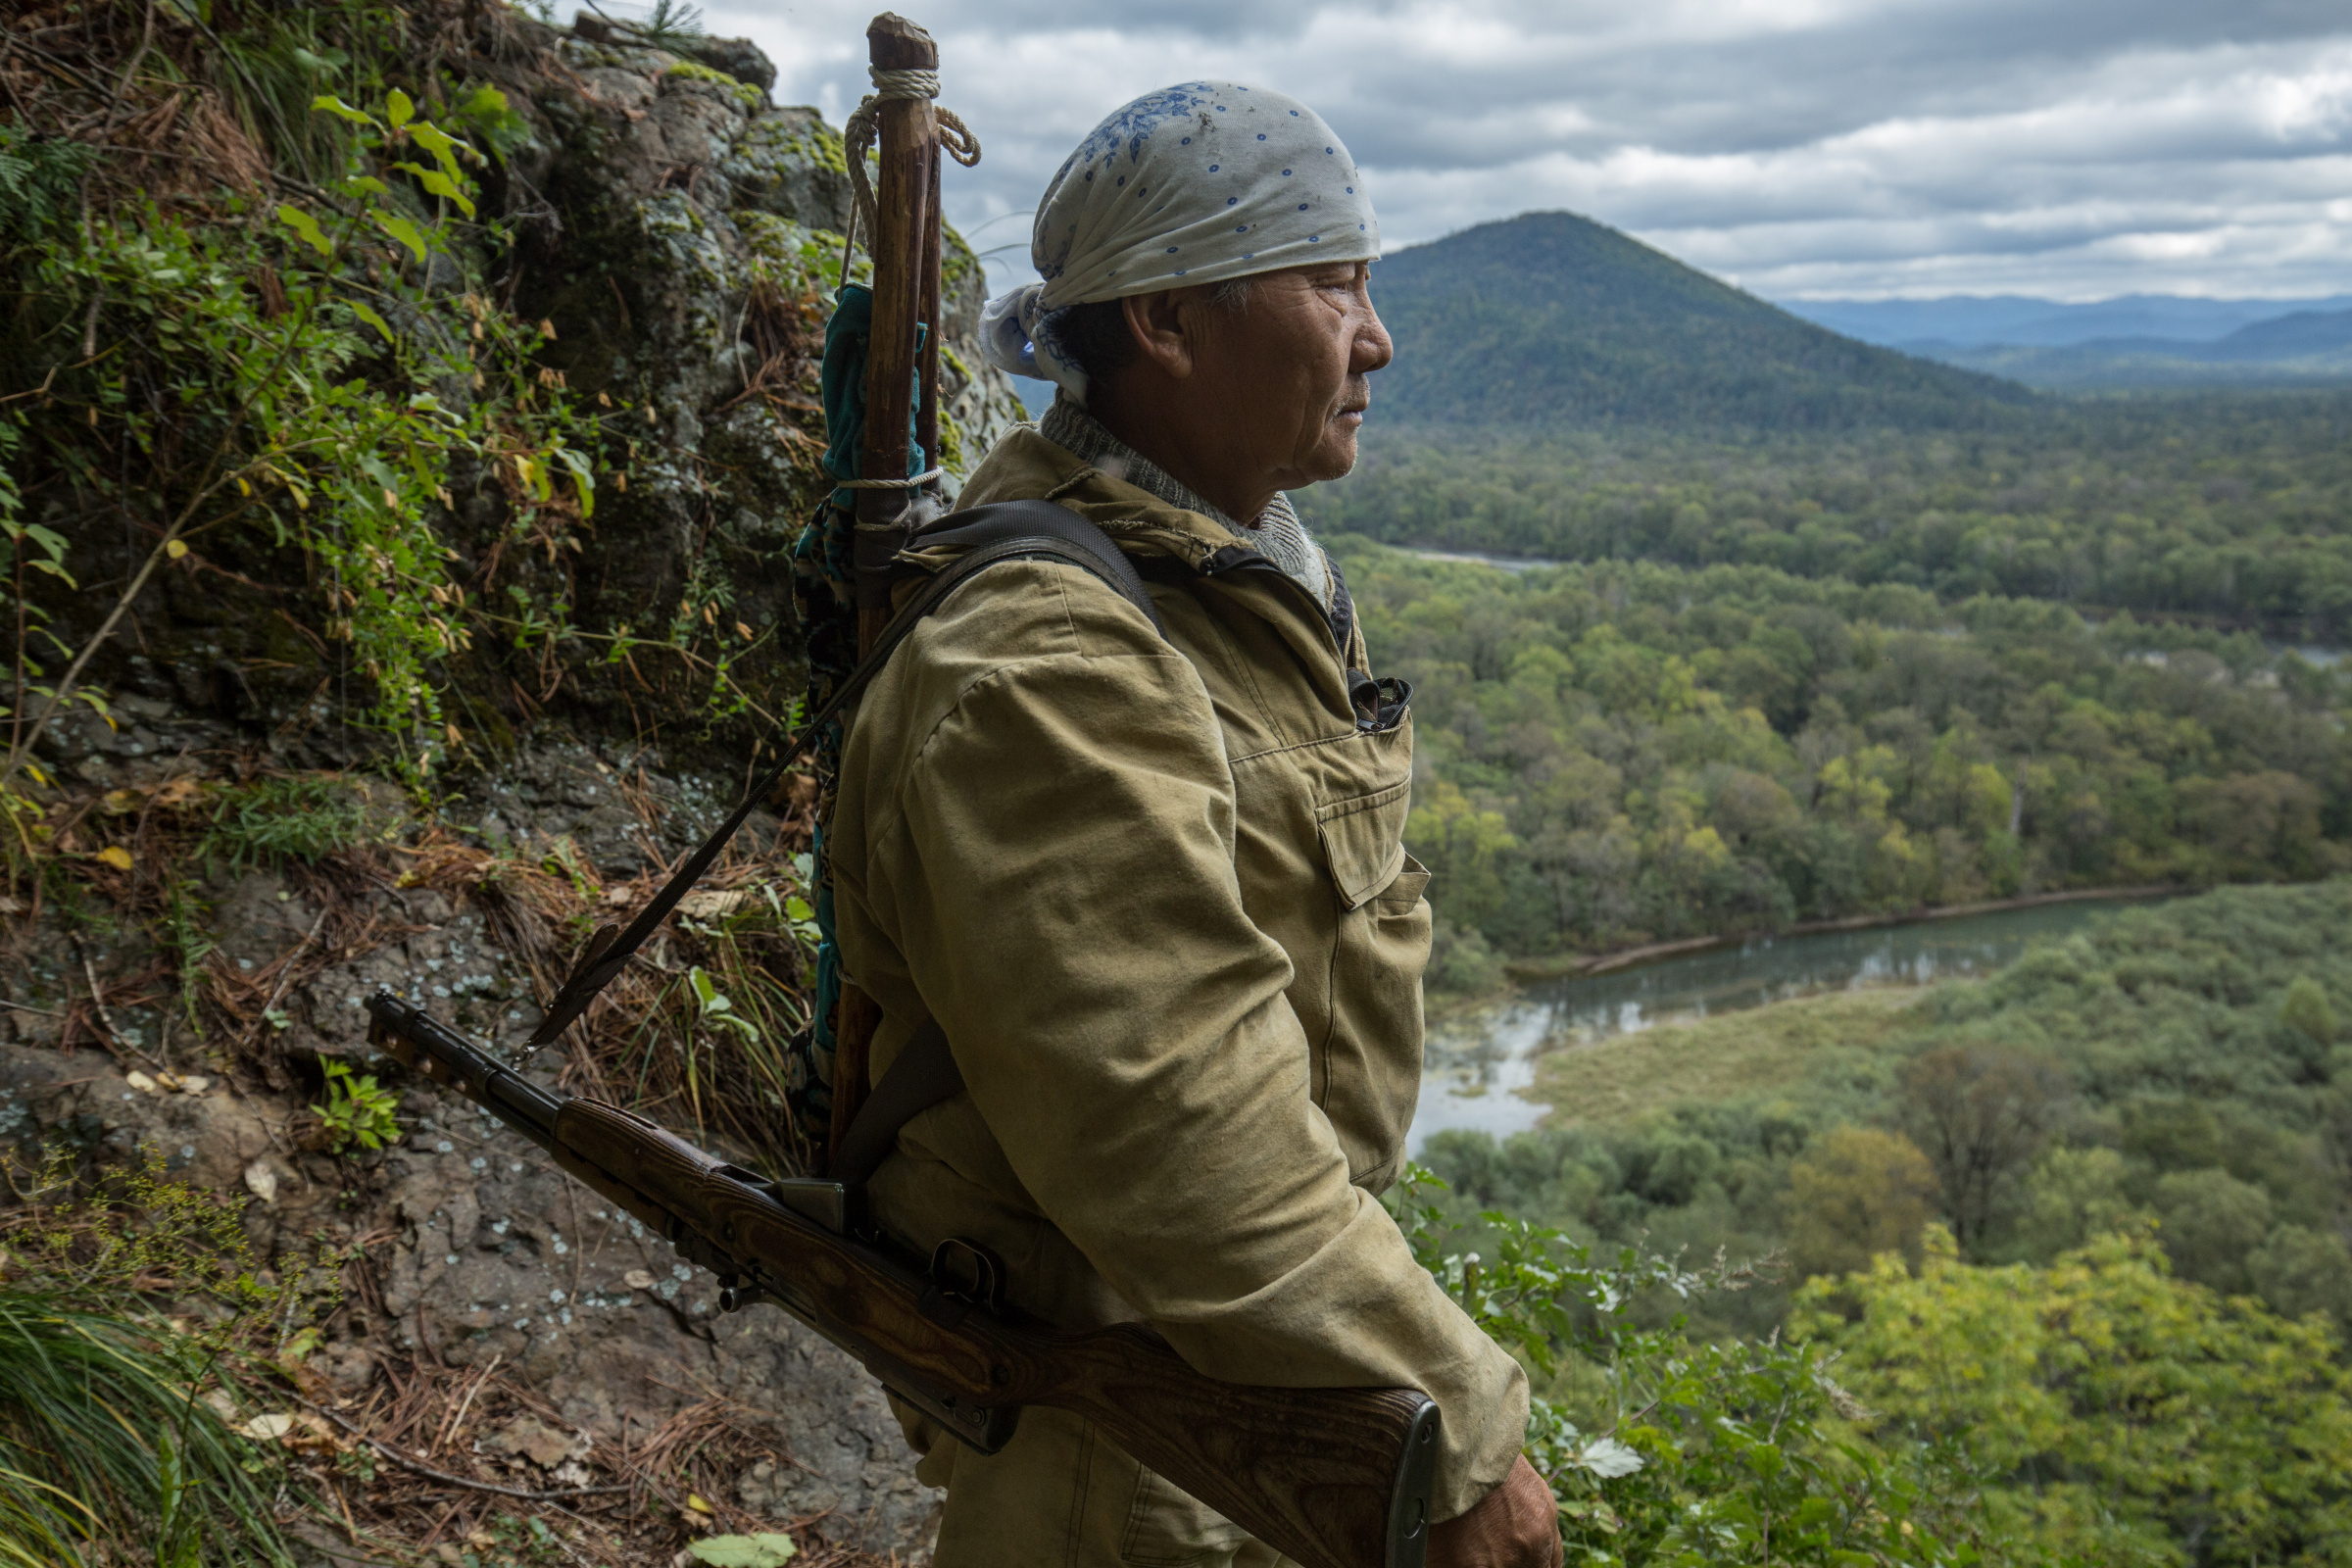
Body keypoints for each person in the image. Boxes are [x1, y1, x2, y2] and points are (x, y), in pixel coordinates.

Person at [823, 80, 1561, 1567]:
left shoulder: (1217, 572)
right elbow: (1178, 1141)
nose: (1377, 337)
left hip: (1247, 1381)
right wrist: (1465, 1428)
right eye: (1333, 279)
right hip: (1134, 1450)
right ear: (1163, 323)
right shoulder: (1050, 670)